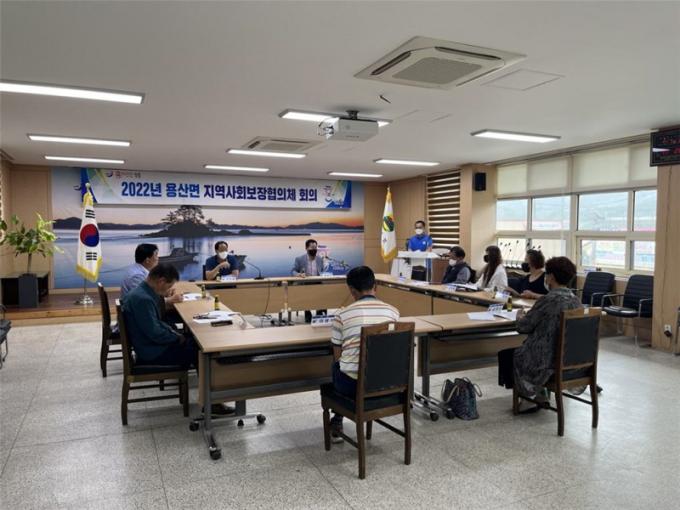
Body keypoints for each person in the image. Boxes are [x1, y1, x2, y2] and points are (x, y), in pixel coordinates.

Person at [497, 257, 583, 410]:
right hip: (571, 362)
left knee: (509, 355)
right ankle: (537, 394)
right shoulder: (576, 302)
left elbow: (523, 327)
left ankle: (530, 396)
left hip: (546, 363)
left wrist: (519, 316)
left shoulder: (547, 301)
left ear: (551, 277)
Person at [329, 266, 400, 442]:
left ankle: (337, 418)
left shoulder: (342, 316)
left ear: (352, 290)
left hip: (354, 386)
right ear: (376, 286)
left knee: (336, 367)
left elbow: (337, 356)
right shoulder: (393, 312)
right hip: (390, 381)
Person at [122, 263, 197, 369]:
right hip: (152, 352)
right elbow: (155, 333)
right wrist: (177, 337)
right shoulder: (143, 300)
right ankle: (207, 378)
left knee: (192, 340)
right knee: (199, 350)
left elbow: (155, 325)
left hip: (148, 345)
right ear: (161, 281)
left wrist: (175, 334)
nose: (169, 289)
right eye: (169, 286)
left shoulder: (142, 292)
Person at [291, 239, 328, 322]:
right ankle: (307, 314)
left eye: (315, 248)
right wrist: (299, 274)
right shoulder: (299, 259)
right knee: (305, 294)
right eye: (312, 248)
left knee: (325, 292)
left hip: (318, 283)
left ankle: (320, 313)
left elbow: (322, 271)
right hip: (305, 284)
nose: (314, 250)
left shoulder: (319, 259)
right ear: (306, 248)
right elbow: (293, 271)